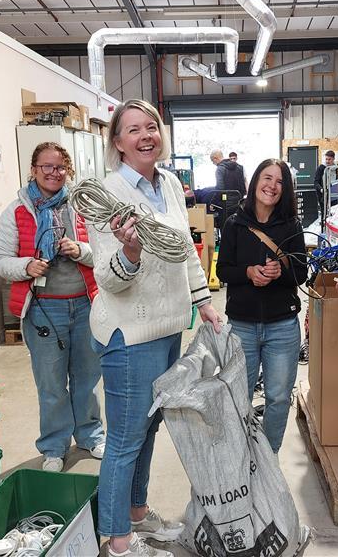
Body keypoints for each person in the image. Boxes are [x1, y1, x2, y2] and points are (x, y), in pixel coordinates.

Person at [90, 99, 222, 557]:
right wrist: (129, 254)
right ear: (118, 143)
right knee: (125, 439)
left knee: (149, 429)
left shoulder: (167, 182)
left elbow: (185, 247)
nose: (146, 136)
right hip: (130, 335)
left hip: (169, 328)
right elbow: (108, 278)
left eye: (152, 127)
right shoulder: (107, 193)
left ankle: (137, 513)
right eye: (134, 130)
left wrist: (202, 300)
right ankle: (119, 542)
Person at [0, 141, 104, 473]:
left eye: (60, 167)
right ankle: (54, 446)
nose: (54, 173)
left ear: (68, 170)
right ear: (34, 170)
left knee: (87, 378)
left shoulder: (84, 207)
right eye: (47, 167)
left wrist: (80, 249)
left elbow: (104, 254)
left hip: (85, 305)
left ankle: (90, 435)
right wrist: (27, 266)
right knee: (51, 384)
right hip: (43, 310)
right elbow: (1, 262)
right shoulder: (16, 212)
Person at [216, 159, 308, 453]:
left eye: (280, 182)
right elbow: (223, 271)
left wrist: (281, 273)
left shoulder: (291, 225)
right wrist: (248, 273)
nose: (272, 186)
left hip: (282, 326)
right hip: (241, 325)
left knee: (279, 397)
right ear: (255, 182)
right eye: (267, 178)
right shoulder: (234, 224)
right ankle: (241, 458)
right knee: (237, 397)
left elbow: (301, 273)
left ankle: (268, 459)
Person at [314, 150, 336, 222]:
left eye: (329, 159)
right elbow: (316, 182)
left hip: (333, 192)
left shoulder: (336, 168)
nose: (327, 161)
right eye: (326, 159)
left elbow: (337, 178)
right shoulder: (321, 168)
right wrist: (321, 189)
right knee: (324, 211)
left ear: (333, 159)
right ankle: (324, 226)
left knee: (333, 210)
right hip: (323, 193)